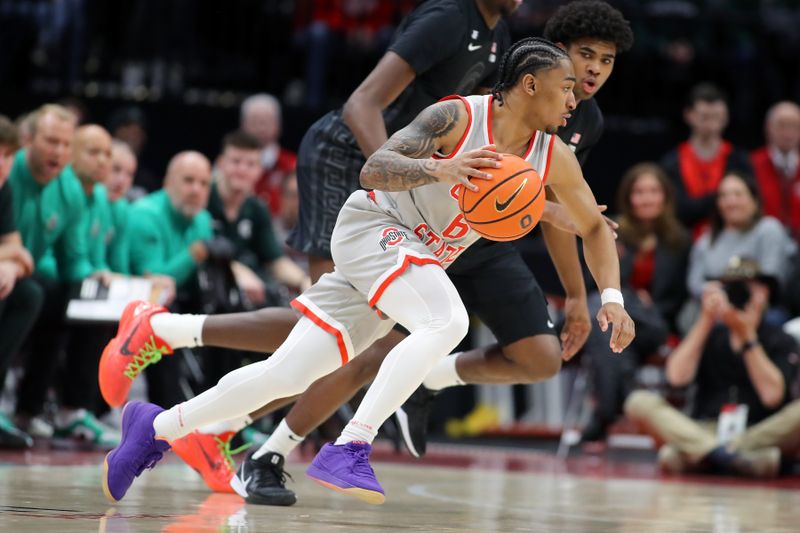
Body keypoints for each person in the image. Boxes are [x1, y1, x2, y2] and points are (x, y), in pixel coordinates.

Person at [97, 0, 634, 503]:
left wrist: (610, 296)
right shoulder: (456, 118)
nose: (573, 101)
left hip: (413, 254)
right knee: (447, 322)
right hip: (372, 225)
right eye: (566, 87)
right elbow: (373, 167)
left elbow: (593, 228)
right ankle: (351, 445)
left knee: (287, 374)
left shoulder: (554, 156)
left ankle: (156, 427)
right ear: (530, 84)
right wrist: (437, 167)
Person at [625, 258, 800, 479]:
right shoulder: (710, 334)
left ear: (765, 293)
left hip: (757, 432)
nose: (739, 296)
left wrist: (747, 337)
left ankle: (706, 455)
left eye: (747, 288)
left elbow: (772, 396)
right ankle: (730, 458)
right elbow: (676, 377)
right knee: (639, 401)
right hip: (705, 427)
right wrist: (706, 319)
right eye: (732, 288)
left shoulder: (781, 339)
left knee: (672, 456)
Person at [579, 163, 689, 444]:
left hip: (655, 323)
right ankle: (621, 400)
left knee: (607, 311)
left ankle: (604, 412)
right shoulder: (613, 231)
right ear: (628, 197)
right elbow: (593, 282)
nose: (646, 198)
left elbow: (678, 297)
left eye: (653, 191)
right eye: (639, 192)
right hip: (613, 322)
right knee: (609, 332)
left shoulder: (679, 240)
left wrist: (637, 304)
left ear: (665, 196)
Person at [8, 104, 100, 438]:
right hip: (8, 271)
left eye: (65, 145)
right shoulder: (8, 171)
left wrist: (94, 277)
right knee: (32, 294)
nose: (59, 152)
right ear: (28, 139)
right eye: (50, 142)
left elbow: (72, 259)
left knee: (76, 300)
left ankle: (39, 410)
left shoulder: (70, 189)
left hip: (23, 273)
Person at [207, 130, 310, 306]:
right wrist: (238, 271)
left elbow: (275, 260)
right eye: (236, 161)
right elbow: (199, 249)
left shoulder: (257, 208)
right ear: (221, 163)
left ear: (260, 170)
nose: (242, 170)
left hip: (250, 294)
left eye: (250, 164)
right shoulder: (204, 198)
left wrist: (305, 281)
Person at [683, 171, 795, 332]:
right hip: (713, 307)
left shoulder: (768, 229)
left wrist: (740, 287)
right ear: (718, 204)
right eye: (724, 196)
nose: (731, 202)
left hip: (760, 308)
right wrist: (709, 291)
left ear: (754, 200)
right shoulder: (706, 241)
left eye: (738, 194)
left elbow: (772, 277)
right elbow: (694, 282)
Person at [660, 83, 753, 237]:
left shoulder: (739, 160)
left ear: (726, 117)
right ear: (688, 115)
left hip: (733, 237)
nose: (711, 123)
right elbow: (676, 210)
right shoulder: (671, 162)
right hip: (683, 242)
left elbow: (749, 205)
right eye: (704, 117)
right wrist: (718, 198)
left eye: (717, 117)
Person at [0, 115, 40, 448]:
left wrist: (10, 267)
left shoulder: (4, 189)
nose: (2, 163)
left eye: (8, 155)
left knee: (28, 293)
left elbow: (20, 252)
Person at [239, 94, 297, 218]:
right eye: (255, 121)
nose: (261, 126)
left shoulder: (292, 164)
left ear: (279, 125)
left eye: (266, 121)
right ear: (243, 126)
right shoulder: (230, 164)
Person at [750, 101, 800, 238]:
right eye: (782, 125)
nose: (788, 133)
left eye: (795, 126)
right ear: (768, 128)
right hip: (762, 239)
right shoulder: (752, 164)